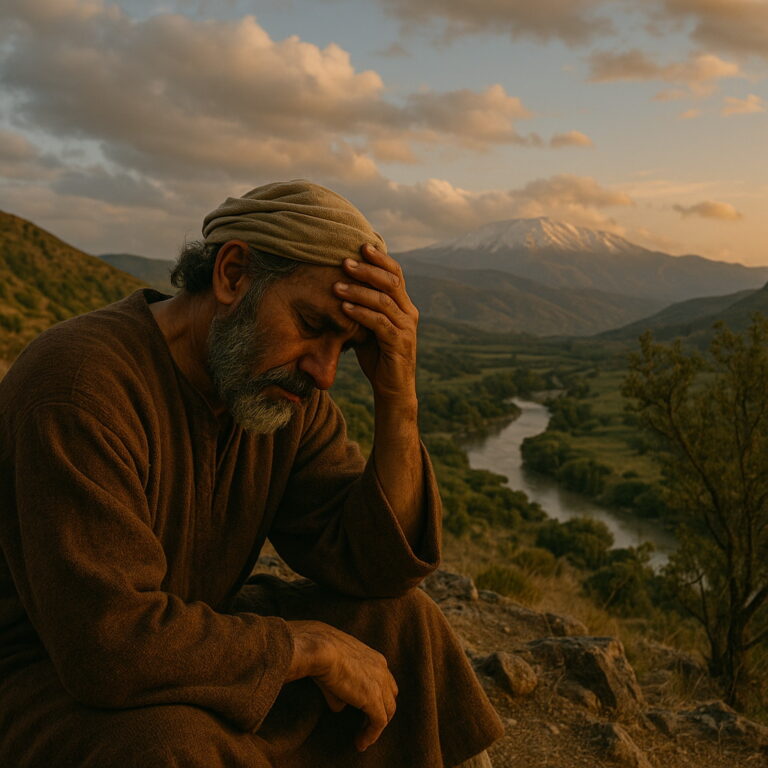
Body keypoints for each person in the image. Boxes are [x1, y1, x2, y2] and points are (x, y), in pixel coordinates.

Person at [0, 180, 503, 766]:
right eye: (312, 324)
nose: (323, 373)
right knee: (173, 749)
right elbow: (105, 645)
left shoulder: (278, 396)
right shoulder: (80, 388)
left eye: (347, 347)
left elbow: (376, 567)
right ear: (233, 274)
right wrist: (302, 646)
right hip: (43, 678)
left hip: (181, 647)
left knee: (400, 625)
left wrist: (399, 399)